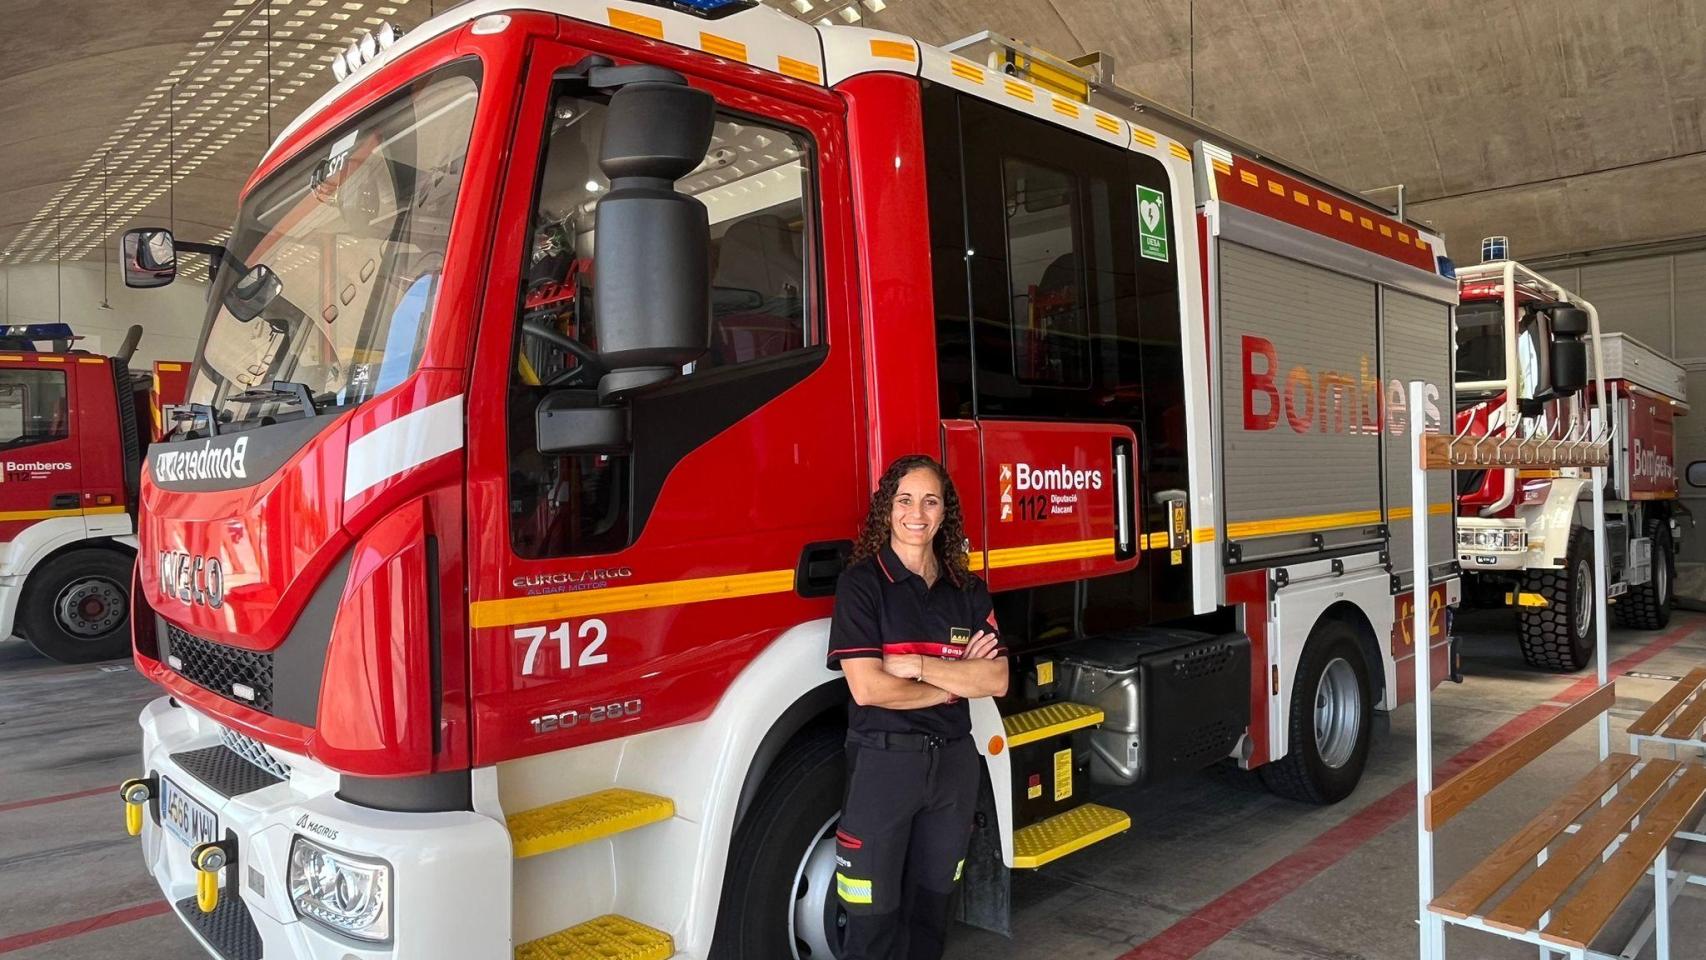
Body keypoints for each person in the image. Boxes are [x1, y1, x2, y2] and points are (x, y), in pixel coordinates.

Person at [825, 454, 1010, 960]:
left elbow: (995, 678)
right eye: (905, 500)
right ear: (888, 509)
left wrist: (919, 669)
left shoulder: (966, 590)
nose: (917, 513)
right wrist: (956, 684)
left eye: (930, 501)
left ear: (945, 512)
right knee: (870, 922)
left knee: (930, 919)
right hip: (884, 766)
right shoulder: (862, 585)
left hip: (953, 766)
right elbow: (869, 689)